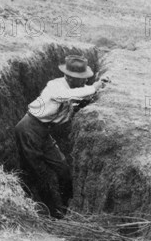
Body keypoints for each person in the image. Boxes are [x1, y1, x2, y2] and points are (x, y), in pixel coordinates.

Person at [14, 55, 108, 218]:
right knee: (38, 174)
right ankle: (50, 213)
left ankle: (65, 207)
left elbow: (76, 101)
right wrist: (94, 87)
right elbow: (66, 96)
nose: (84, 82)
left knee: (63, 169)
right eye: (82, 79)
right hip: (29, 129)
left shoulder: (71, 89)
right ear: (71, 78)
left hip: (44, 132)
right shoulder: (55, 87)